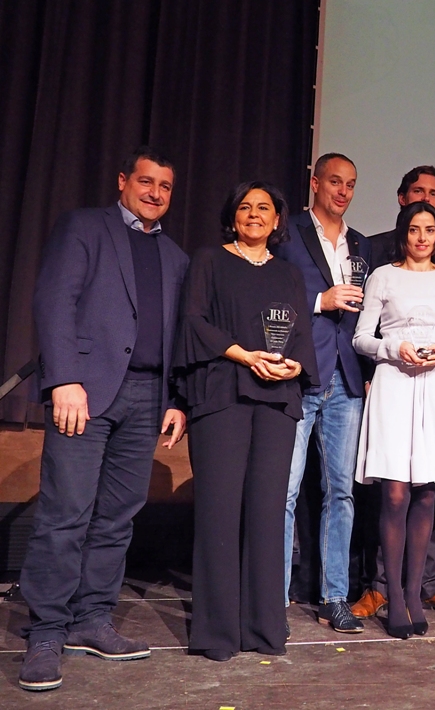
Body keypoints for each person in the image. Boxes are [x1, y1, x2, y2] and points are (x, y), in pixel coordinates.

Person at [18, 147, 188, 692]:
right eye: (146, 181)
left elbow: (174, 334)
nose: (154, 192)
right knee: (66, 512)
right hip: (85, 393)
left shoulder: (176, 257)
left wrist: (174, 398)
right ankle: (46, 630)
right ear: (122, 182)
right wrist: (64, 379)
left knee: (117, 517)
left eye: (164, 185)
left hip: (146, 397)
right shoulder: (85, 228)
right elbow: (53, 300)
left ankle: (91, 620)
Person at [174, 182, 316, 662]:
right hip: (222, 395)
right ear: (232, 216)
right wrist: (242, 355)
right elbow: (193, 321)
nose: (254, 215)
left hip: (276, 401)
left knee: (266, 511)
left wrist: (293, 365)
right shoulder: (209, 261)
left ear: (278, 221)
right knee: (219, 511)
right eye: (244, 207)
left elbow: (300, 333)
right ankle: (217, 633)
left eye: (264, 208)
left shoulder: (290, 274)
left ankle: (262, 627)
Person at [353, 164, 435, 621]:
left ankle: (412, 592)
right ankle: (395, 599)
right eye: (414, 229)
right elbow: (361, 337)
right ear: (403, 230)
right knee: (396, 492)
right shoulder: (383, 275)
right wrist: (393, 347)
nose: (422, 237)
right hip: (393, 382)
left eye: (430, 230)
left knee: (427, 493)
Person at [275, 153, 369, 635]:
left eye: (350, 184)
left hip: (346, 380)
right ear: (314, 183)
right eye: (335, 181)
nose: (343, 191)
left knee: (341, 492)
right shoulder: (286, 233)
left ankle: (335, 596)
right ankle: (274, 599)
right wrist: (318, 300)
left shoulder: (359, 244)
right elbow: (266, 290)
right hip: (298, 373)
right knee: (285, 491)